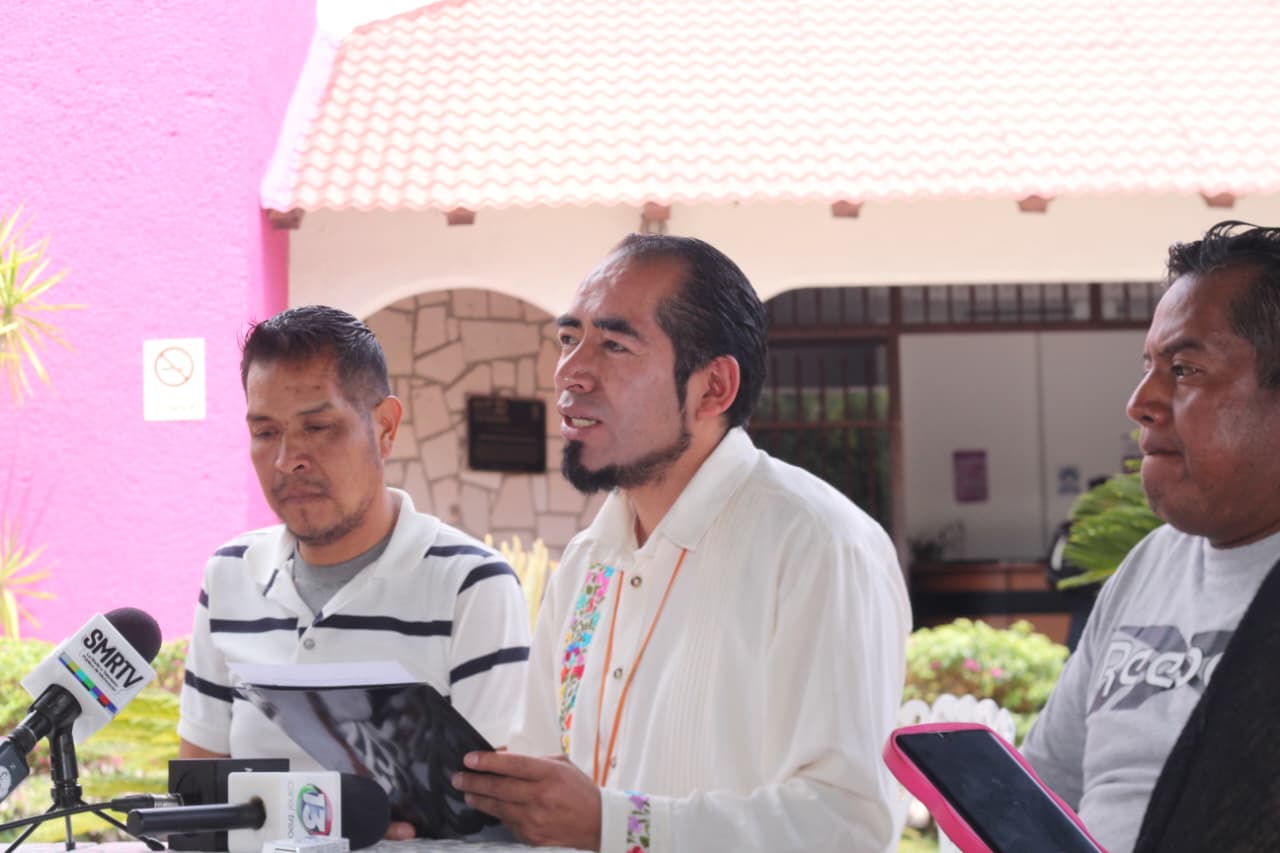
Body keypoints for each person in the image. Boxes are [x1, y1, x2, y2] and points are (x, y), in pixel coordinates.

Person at [452, 234, 912, 852]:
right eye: (568, 339)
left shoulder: (818, 545)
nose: (571, 371)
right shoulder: (589, 562)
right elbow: (546, 796)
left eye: (614, 344)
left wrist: (616, 826)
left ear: (713, 388)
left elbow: (847, 824)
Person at [177, 306, 531, 821]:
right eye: (266, 431)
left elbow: (494, 814)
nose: (287, 459)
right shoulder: (229, 574)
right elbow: (199, 797)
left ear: (385, 427)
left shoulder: (472, 586)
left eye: (318, 427)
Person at [1022, 221, 1280, 853]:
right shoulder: (1150, 565)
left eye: (1186, 369)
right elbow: (1039, 790)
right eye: (1150, 367)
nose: (1141, 401)